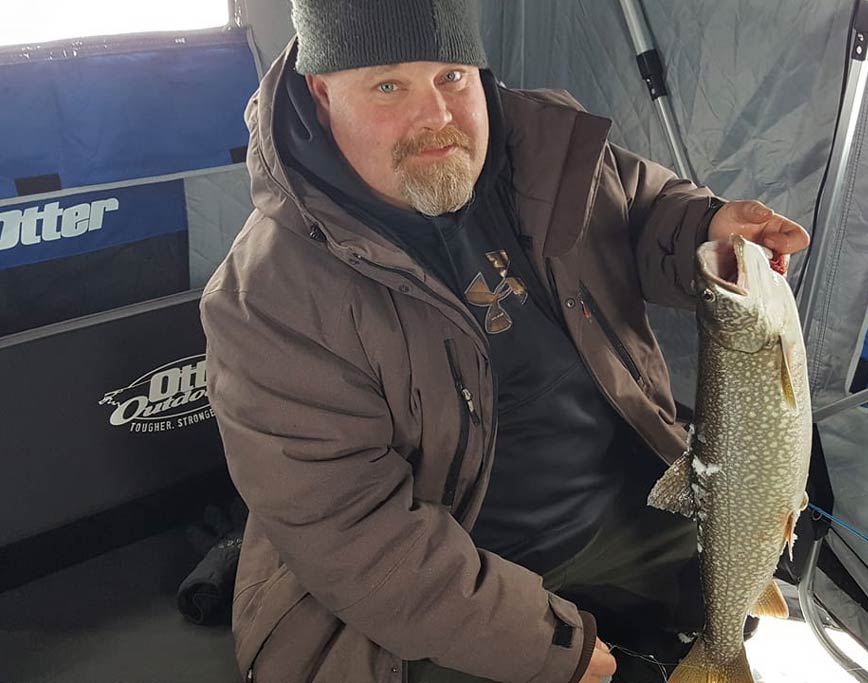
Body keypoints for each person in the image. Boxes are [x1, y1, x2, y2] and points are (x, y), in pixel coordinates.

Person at [200, 1, 810, 681]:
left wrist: (706, 227)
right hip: (434, 584)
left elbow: (638, 206)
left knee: (729, 602)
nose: (435, 117)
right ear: (321, 92)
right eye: (388, 85)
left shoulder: (541, 151)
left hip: (621, 505)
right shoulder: (267, 301)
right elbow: (359, 537)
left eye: (453, 76)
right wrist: (552, 647)